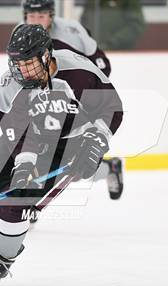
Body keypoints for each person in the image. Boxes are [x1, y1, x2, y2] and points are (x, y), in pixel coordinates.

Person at [0, 24, 123, 286]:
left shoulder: (80, 71)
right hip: (29, 138)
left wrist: (95, 143)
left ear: (46, 56)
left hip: (69, 145)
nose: (22, 71)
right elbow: (16, 133)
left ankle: (3, 261)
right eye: (17, 64)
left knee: (13, 205)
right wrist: (24, 164)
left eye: (29, 63)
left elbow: (112, 108)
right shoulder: (10, 86)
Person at [22, 0, 124, 207]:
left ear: (51, 15)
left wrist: (85, 95)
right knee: (49, 150)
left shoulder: (71, 31)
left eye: (41, 16)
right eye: (31, 17)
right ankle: (108, 167)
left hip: (79, 99)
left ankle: (106, 168)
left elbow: (102, 65)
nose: (36, 22)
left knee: (75, 162)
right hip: (48, 99)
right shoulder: (21, 32)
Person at [81, 0, 146, 50]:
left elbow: (136, 26)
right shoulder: (93, 2)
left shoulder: (128, 2)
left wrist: (111, 43)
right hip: (93, 54)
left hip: (120, 54)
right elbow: (84, 22)